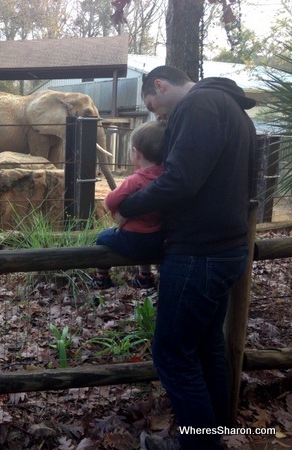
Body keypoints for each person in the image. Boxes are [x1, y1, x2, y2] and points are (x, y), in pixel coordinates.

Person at [117, 66, 256, 450]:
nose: (156, 115)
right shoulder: (235, 110)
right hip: (230, 249)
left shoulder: (199, 105)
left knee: (172, 355)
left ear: (160, 85)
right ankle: (214, 434)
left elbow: (180, 179)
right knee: (207, 345)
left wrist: (130, 205)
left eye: (152, 104)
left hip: (198, 254)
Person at [91, 120, 167, 290]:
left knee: (103, 237)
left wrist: (115, 207)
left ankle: (101, 277)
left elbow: (110, 201)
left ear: (136, 153)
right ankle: (144, 276)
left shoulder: (134, 181)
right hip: (158, 240)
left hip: (133, 240)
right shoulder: (167, 178)